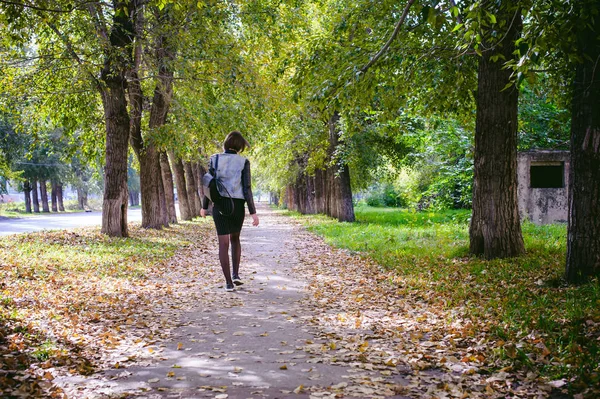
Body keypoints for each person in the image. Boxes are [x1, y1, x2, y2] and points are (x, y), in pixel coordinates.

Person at [200, 131, 259, 292]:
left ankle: (228, 283)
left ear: (226, 143)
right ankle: (235, 274)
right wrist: (253, 212)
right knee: (235, 239)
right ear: (240, 147)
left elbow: (208, 185)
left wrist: (204, 207)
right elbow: (247, 188)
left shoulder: (214, 159)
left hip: (219, 204)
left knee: (223, 243)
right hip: (238, 205)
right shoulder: (243, 162)